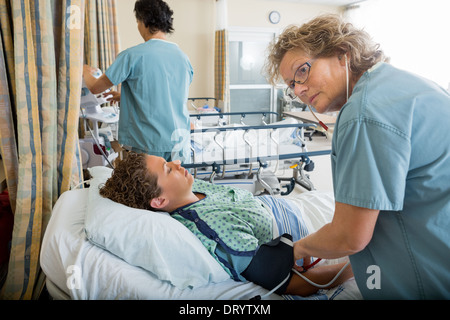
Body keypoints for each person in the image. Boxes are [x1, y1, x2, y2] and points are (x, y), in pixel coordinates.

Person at [265, 14, 450, 299]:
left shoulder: (364, 112)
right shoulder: (406, 85)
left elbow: (350, 235)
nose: (299, 90)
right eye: (291, 85)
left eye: (302, 72)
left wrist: (295, 250)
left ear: (342, 53)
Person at [99, 152, 354, 297]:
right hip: (305, 230)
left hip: (293, 207)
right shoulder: (211, 230)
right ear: (159, 200)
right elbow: (293, 283)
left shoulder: (191, 187)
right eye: (168, 169)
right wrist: (357, 267)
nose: (177, 163)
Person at [83, 0, 193, 163]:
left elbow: (95, 87)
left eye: (137, 22)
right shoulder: (183, 58)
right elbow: (166, 95)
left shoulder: (132, 56)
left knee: (146, 189)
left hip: (147, 144)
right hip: (179, 143)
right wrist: (127, 97)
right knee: (177, 188)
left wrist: (82, 69)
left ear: (143, 21)